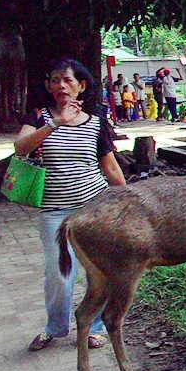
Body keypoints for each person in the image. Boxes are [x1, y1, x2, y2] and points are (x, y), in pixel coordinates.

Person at [13, 58, 127, 352]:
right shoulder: (39, 117)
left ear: (82, 86)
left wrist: (129, 200)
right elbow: (20, 147)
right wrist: (56, 123)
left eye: (67, 80)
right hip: (55, 213)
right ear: (48, 86)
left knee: (99, 273)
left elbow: (110, 168)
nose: (60, 85)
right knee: (59, 274)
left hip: (95, 211)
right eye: (54, 80)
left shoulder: (97, 122)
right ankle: (56, 327)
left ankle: (96, 327)